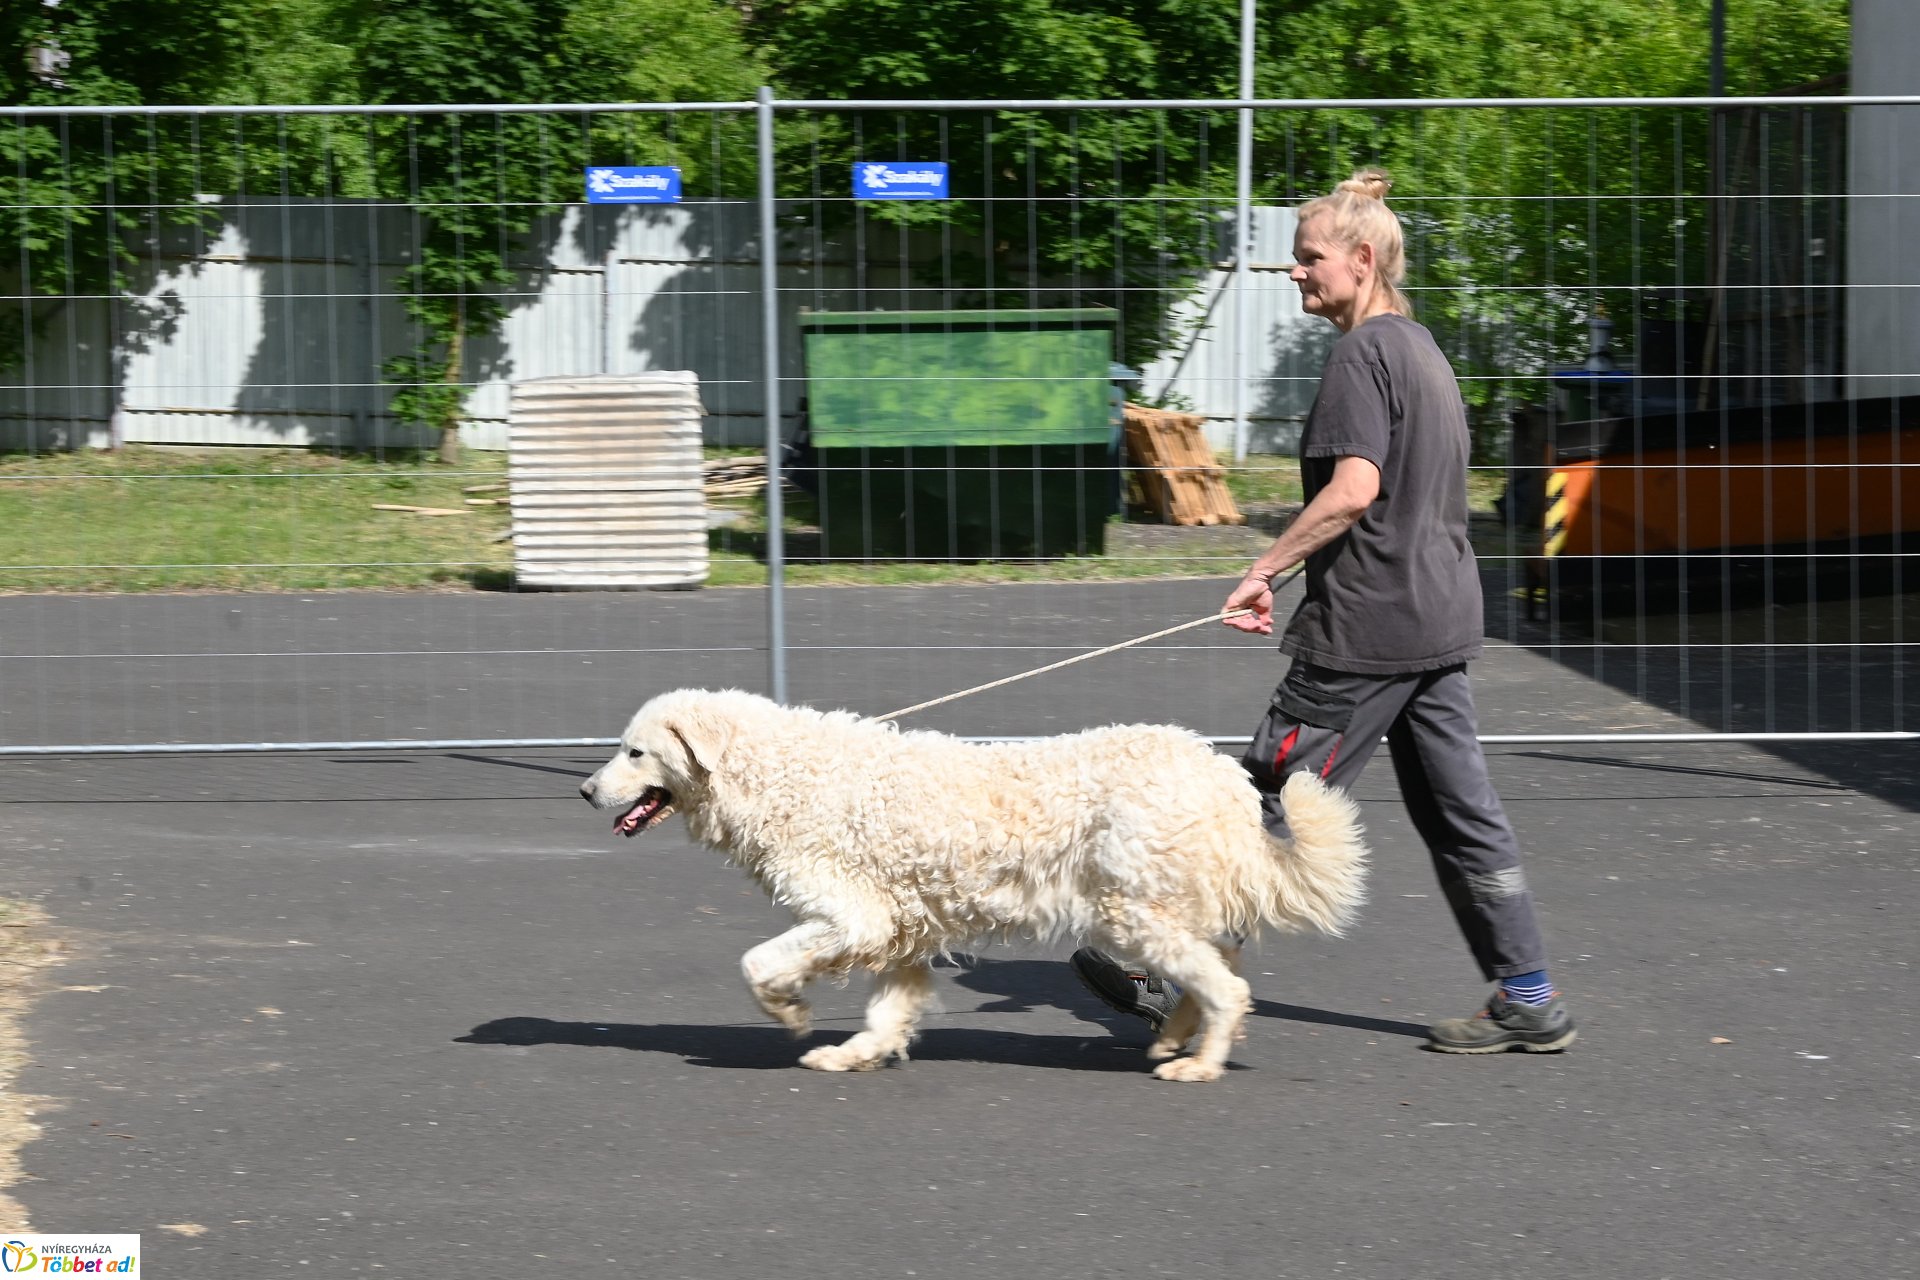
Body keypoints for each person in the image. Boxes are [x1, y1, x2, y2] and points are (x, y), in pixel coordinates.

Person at [1071, 169, 1576, 1054]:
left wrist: (1263, 567)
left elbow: (1353, 490)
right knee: (1463, 813)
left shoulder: (1360, 357)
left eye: (1308, 259)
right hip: (1440, 620)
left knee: (1257, 806)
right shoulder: (1420, 348)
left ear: (1363, 260)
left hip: (1368, 633)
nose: (1295, 274)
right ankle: (1529, 994)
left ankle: (1165, 980)